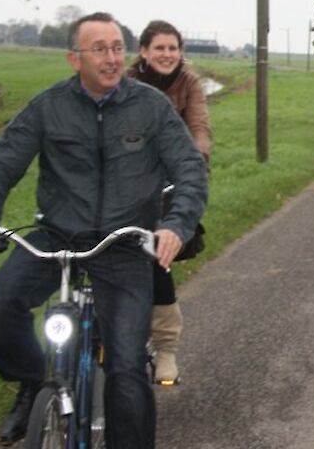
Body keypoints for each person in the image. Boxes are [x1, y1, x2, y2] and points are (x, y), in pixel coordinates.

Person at [0, 12, 208, 448]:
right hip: (58, 237)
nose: (111, 58)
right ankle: (31, 382)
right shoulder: (48, 107)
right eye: (99, 49)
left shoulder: (151, 107)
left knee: (124, 366)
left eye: (117, 47)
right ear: (73, 59)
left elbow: (191, 170)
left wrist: (176, 224)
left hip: (124, 245)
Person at [127, 19, 212, 386]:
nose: (167, 54)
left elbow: (200, 129)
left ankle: (165, 348)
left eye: (173, 48)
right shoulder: (127, 81)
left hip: (168, 181)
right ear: (144, 51)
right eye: (159, 48)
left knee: (155, 253)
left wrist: (192, 167)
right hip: (125, 180)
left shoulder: (189, 83)